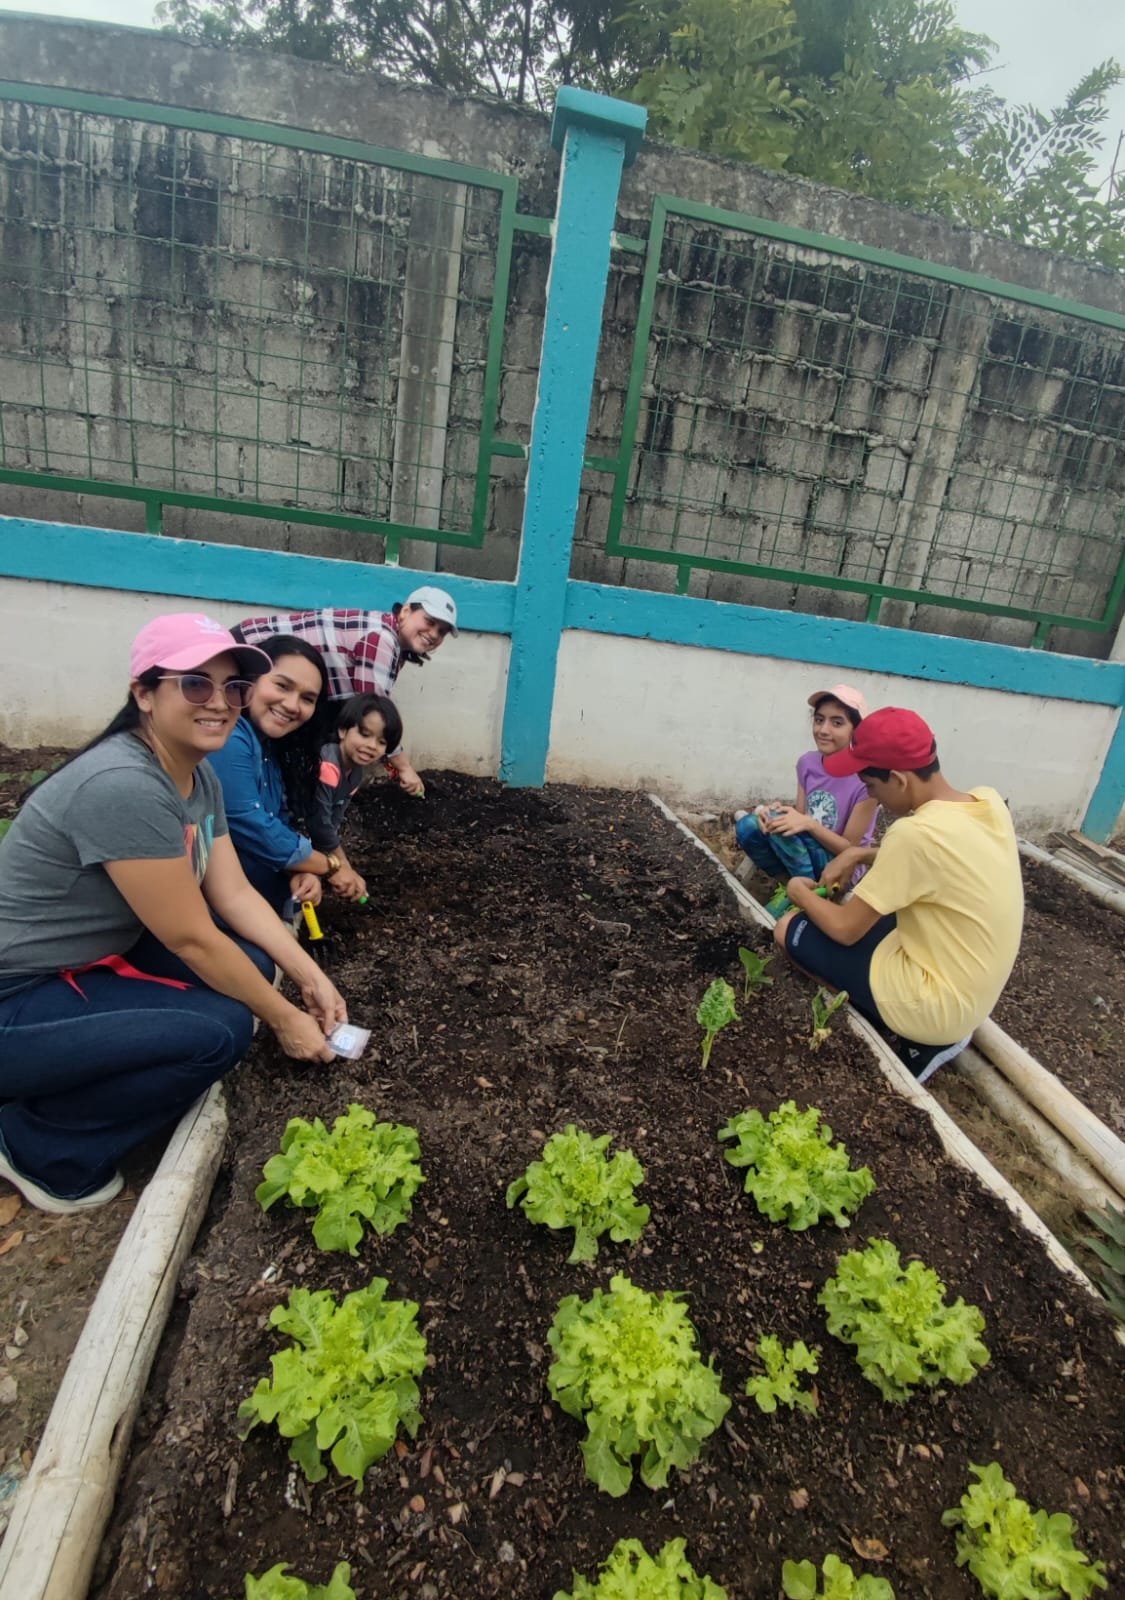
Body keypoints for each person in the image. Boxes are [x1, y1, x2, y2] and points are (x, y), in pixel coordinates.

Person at [0, 613, 347, 1214]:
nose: (220, 702)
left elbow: (234, 895)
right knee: (218, 1035)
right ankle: (40, 1147)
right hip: (17, 995)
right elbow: (191, 939)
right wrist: (287, 1018)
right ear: (144, 693)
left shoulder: (194, 774)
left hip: (79, 968)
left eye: (233, 688)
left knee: (254, 963)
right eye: (196, 684)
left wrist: (309, 977)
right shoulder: (124, 784)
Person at [773, 707, 1023, 1083]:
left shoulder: (914, 835)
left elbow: (845, 930)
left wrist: (799, 893)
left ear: (898, 779)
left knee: (788, 928)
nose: (872, 796)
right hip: (974, 986)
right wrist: (859, 852)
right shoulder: (984, 802)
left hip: (936, 1008)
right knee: (879, 910)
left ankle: (914, 1038)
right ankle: (927, 1024)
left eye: (872, 787)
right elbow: (943, 860)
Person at [232, 587, 458, 797]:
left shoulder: (391, 639)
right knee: (241, 744)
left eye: (442, 632)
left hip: (264, 666)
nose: (434, 634)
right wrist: (405, 769)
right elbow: (373, 712)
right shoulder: (382, 638)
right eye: (429, 621)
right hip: (246, 657)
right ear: (406, 611)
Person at [207, 634, 344, 915]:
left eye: (307, 698)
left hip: (252, 905)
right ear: (250, 682)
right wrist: (327, 865)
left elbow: (278, 822)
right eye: (282, 685)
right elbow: (250, 825)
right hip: (214, 908)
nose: (293, 705)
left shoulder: (271, 749)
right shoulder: (231, 737)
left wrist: (298, 871)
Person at [734, 684, 880, 916]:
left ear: (857, 730)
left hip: (839, 867)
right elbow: (800, 815)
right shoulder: (808, 763)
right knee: (749, 826)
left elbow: (849, 848)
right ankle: (790, 888)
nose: (823, 729)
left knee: (782, 827)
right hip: (806, 853)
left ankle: (805, 898)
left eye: (837, 722)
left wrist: (808, 824)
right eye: (819, 720)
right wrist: (777, 812)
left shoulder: (866, 780)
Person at [308, 693, 404, 903]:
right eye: (364, 734)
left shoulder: (355, 774)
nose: (371, 745)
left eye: (381, 742)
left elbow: (332, 822)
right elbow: (319, 824)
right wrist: (341, 865)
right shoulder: (327, 765)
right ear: (343, 730)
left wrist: (334, 863)